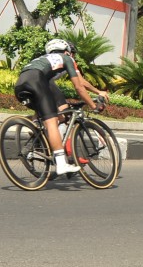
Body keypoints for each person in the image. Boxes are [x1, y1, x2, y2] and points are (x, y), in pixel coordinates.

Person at [13, 39, 109, 175]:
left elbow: (80, 80)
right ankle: (61, 162)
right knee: (55, 119)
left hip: (21, 85)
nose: (73, 56)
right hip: (39, 83)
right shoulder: (66, 58)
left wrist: (97, 91)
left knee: (57, 115)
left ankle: (36, 133)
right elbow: (79, 86)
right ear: (67, 51)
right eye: (72, 53)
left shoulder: (42, 59)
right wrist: (93, 105)